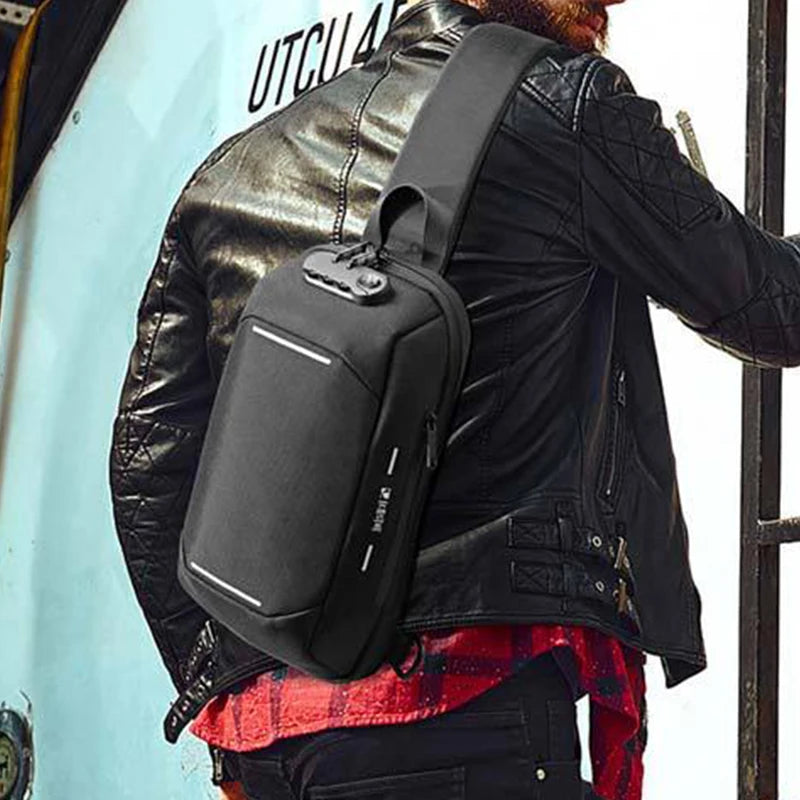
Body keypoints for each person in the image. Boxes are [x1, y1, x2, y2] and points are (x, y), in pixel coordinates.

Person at [108, 0, 800, 798]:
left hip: (270, 745)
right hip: (464, 703)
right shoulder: (566, 105)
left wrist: (221, 686)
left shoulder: (230, 175)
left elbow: (146, 464)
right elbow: (772, 306)